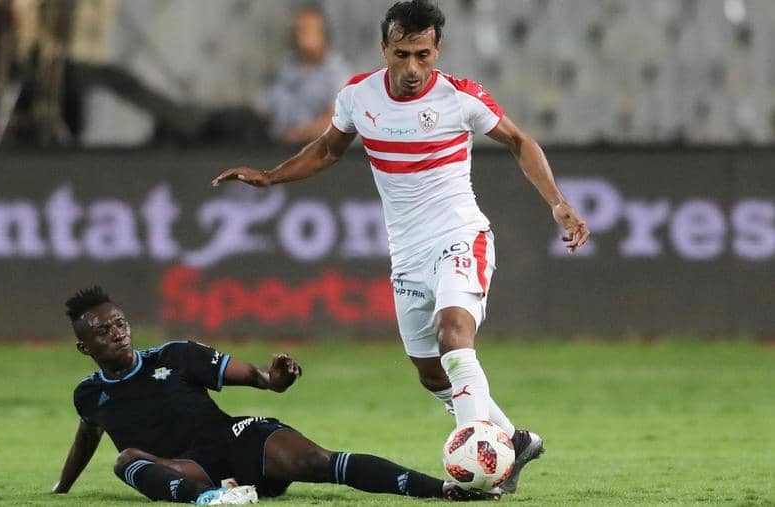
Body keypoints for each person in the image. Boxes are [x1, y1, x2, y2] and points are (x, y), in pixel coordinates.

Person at [212, 0, 591, 496]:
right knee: (432, 373)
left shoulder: (461, 97)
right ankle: (512, 441)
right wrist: (270, 177)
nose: (412, 68)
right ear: (384, 48)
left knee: (454, 335)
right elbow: (327, 149)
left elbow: (520, 141)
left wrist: (557, 202)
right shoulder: (358, 96)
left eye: (423, 55)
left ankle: (479, 470)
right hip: (408, 254)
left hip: (460, 236)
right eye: (402, 54)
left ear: (437, 50)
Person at [50, 286, 500, 503]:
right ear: (84, 347)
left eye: (120, 323)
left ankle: (444, 490)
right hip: (189, 470)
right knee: (127, 460)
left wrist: (276, 379)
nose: (117, 334)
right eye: (103, 331)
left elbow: (258, 377)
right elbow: (87, 435)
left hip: (235, 440)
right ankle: (211, 500)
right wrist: (62, 488)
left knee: (320, 461)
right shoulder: (89, 395)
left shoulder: (177, 355)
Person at [262, 6, 352, 145]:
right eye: (297, 29)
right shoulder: (288, 67)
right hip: (277, 146)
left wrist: (302, 134)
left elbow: (338, 119)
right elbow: (269, 109)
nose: (299, 34)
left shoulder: (337, 73)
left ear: (323, 35)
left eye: (306, 30)